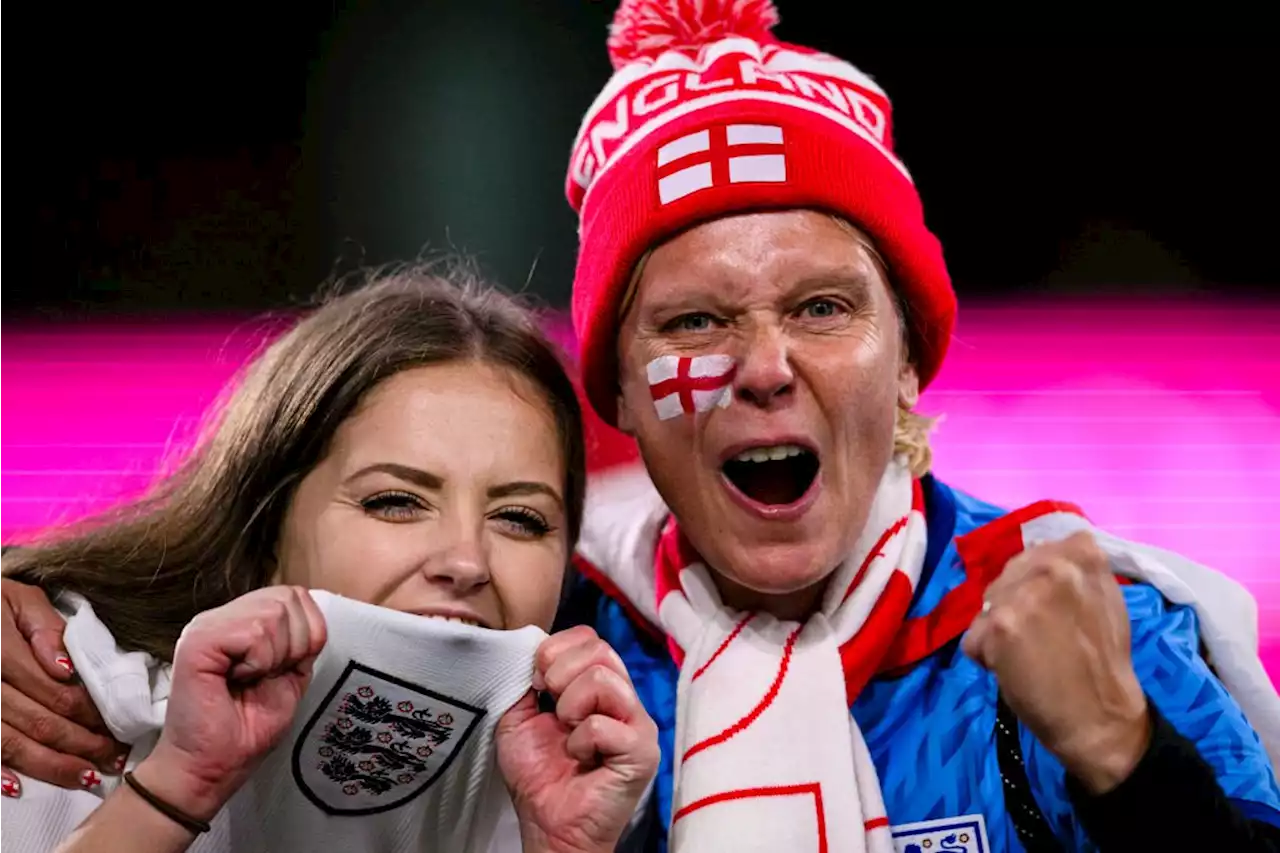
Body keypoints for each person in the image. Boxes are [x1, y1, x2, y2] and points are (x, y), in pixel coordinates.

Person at [5, 2, 1280, 851]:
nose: (763, 367)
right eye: (691, 325)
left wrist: (1126, 762)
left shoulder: (1092, 632)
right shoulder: (525, 651)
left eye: (824, 307)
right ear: (615, 399)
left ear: (909, 368)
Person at [0, 265, 659, 853]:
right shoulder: (47, 711)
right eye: (396, 501)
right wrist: (174, 789)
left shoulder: (572, 779)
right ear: (265, 521)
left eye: (519, 517)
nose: (466, 560)